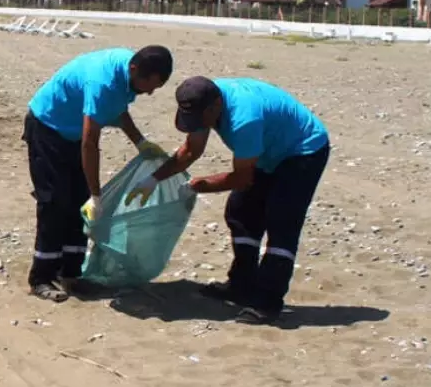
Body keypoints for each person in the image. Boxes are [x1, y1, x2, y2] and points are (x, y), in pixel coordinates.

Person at [125, 76, 330, 324]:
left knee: (281, 222)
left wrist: (198, 186)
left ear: (215, 107)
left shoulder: (244, 119)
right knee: (241, 213)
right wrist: (153, 180)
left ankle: (268, 303)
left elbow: (242, 178)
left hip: (302, 151)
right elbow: (191, 151)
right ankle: (241, 286)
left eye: (200, 121)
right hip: (268, 151)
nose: (198, 125)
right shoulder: (202, 98)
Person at [24, 45, 174, 301]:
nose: (149, 92)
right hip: (48, 127)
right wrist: (95, 194)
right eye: (149, 85)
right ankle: (41, 277)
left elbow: (117, 109)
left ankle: (70, 273)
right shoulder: (102, 81)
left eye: (155, 88)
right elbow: (90, 142)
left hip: (72, 132)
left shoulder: (128, 72)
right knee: (55, 202)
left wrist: (140, 142)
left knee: (78, 204)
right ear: (135, 69)